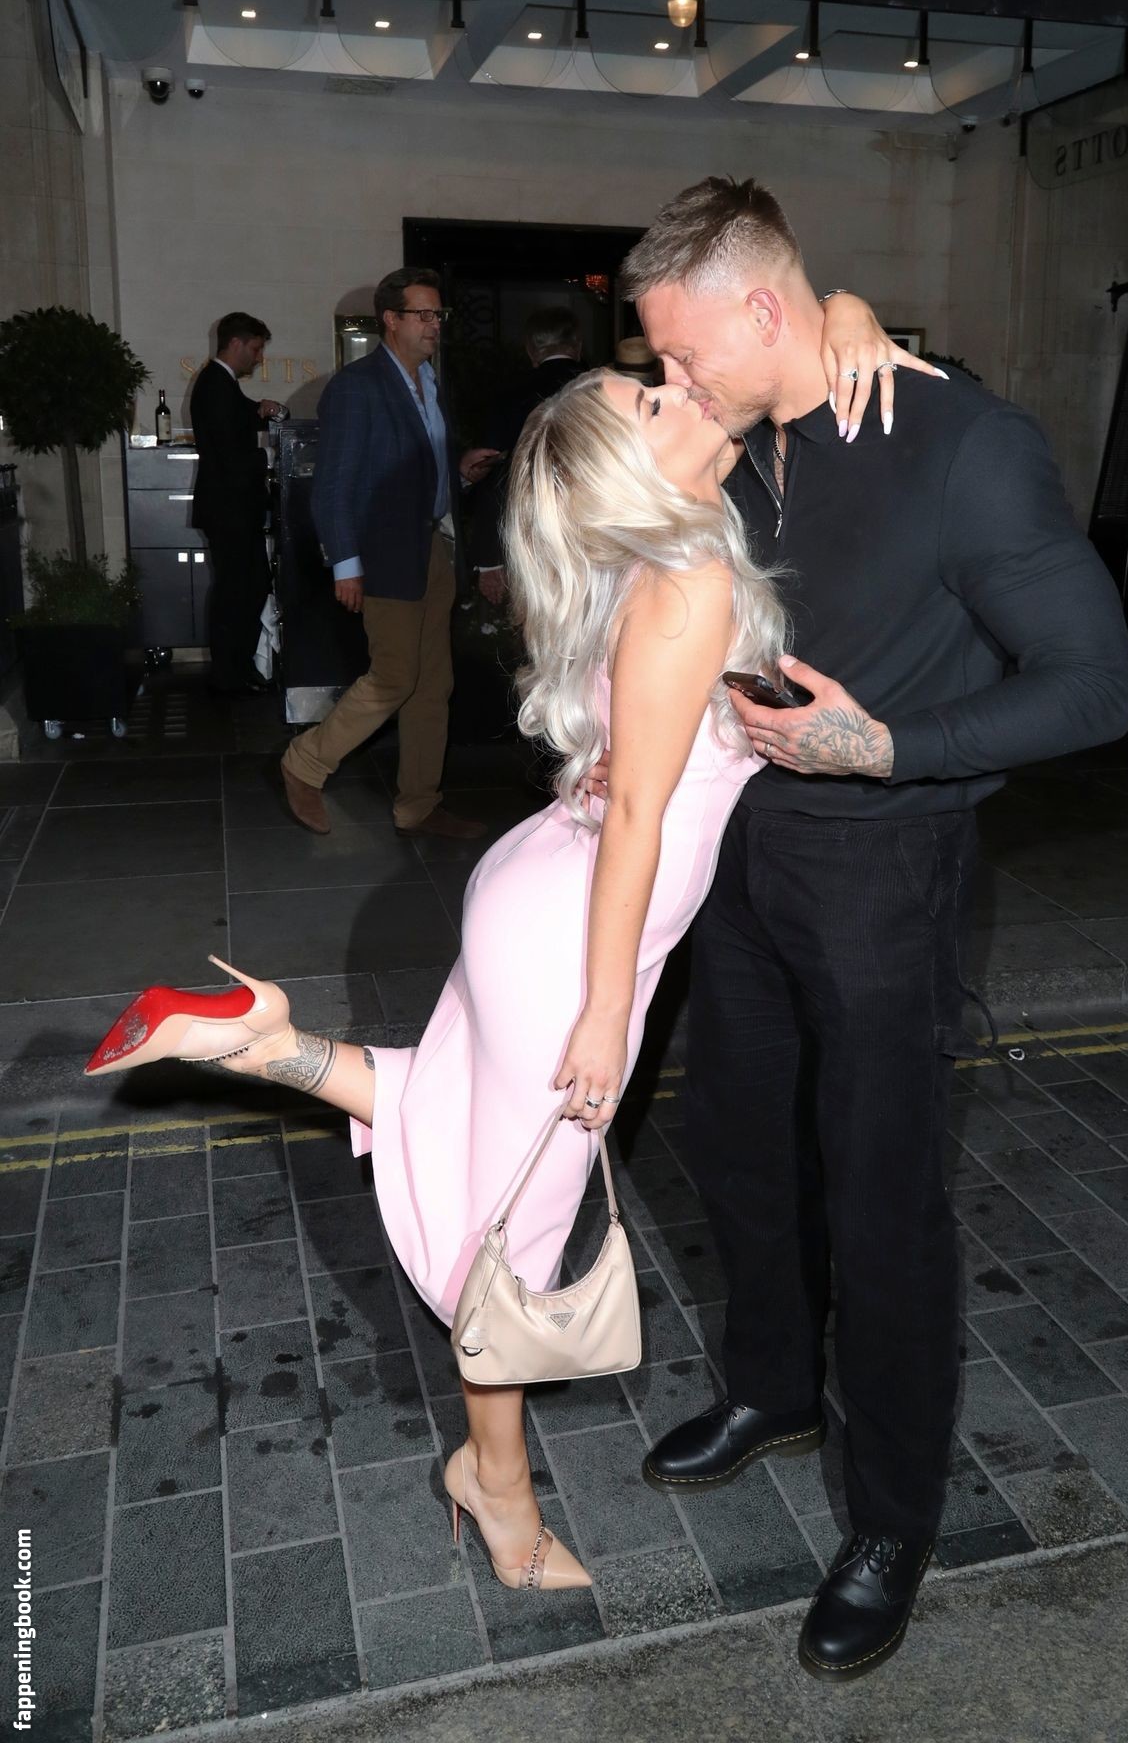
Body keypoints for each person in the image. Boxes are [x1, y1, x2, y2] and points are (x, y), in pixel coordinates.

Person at [83, 294, 915, 1597]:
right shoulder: (689, 579)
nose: (677, 388)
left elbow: (765, 379)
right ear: (635, 470)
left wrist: (847, 316)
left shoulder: (661, 556)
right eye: (651, 399)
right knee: (515, 1225)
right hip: (578, 925)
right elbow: (639, 813)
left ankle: (260, 1042)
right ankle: (497, 1485)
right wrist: (607, 1010)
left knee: (469, 1121)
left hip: (540, 888)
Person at [615, 177, 1128, 1684]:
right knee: (735, 1147)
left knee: (882, 1196)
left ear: (761, 309)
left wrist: (891, 748)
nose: (673, 382)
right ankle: (776, 1387)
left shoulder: (963, 447)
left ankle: (893, 1517)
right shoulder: (740, 441)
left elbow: (1094, 687)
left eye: (686, 353)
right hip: (740, 856)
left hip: (887, 873)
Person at [279, 267, 498, 840]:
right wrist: (346, 564)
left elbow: (412, 470)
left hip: (431, 550)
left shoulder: (429, 383)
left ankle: (418, 805)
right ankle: (305, 762)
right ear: (391, 320)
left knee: (432, 686)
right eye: (423, 314)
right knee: (395, 676)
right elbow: (333, 486)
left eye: (438, 314)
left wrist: (458, 473)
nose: (434, 324)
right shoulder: (358, 387)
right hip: (381, 556)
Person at [468, 305, 587, 606]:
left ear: (531, 349)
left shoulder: (509, 397)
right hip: (593, 535)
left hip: (531, 536)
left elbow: (494, 474)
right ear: (577, 345)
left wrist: (490, 559)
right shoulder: (603, 390)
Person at [190, 312, 283, 695]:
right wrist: (270, 457)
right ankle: (230, 675)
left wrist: (262, 408)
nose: (259, 358)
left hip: (231, 509)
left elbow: (239, 415)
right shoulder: (216, 384)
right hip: (229, 509)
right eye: (256, 349)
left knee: (247, 586)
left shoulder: (220, 383)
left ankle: (236, 670)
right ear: (237, 343)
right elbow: (230, 454)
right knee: (237, 591)